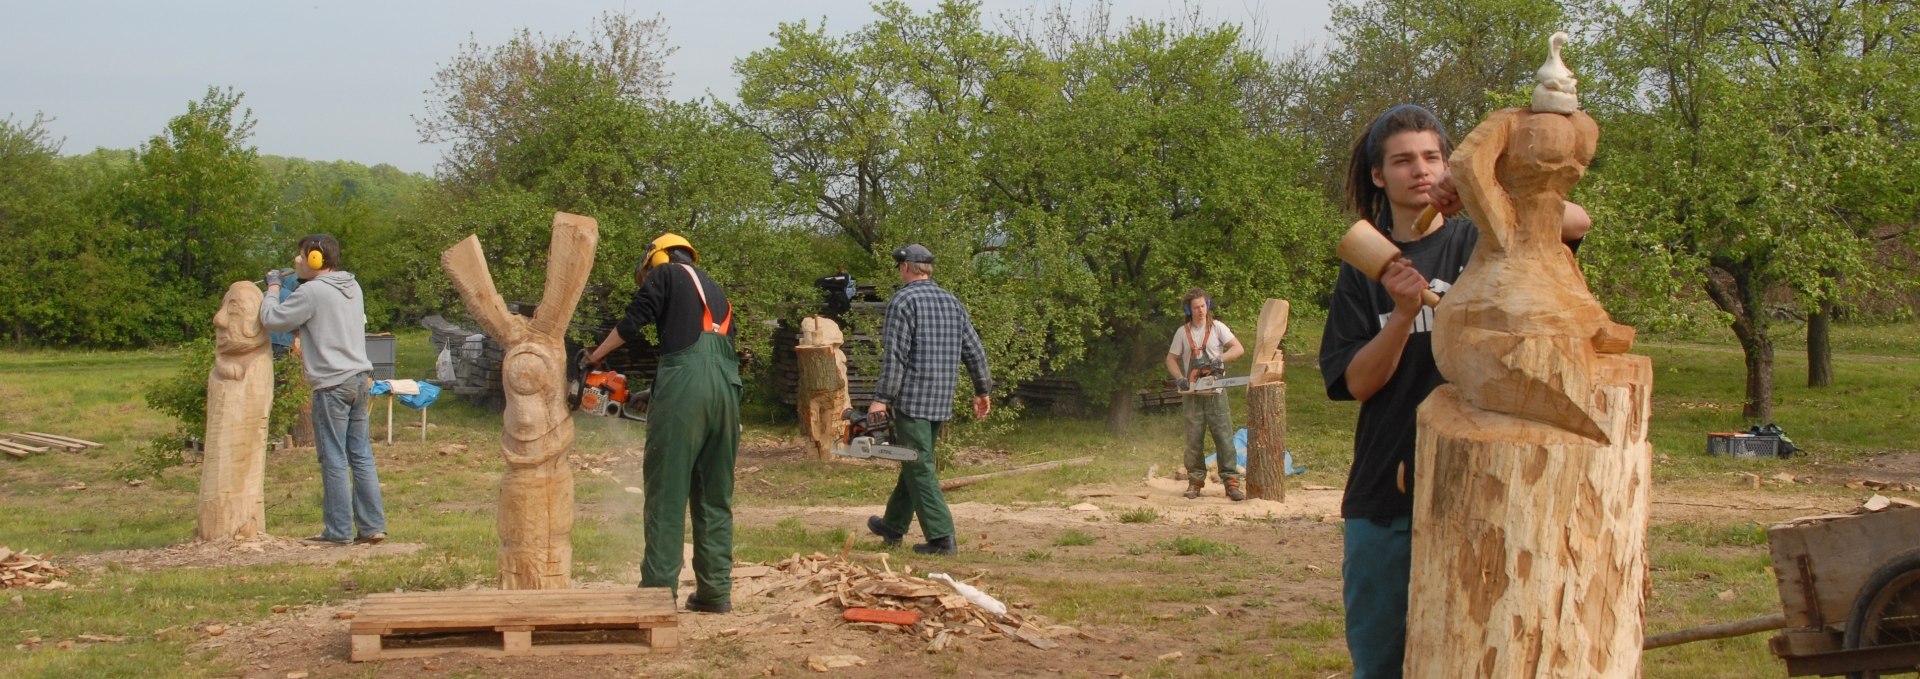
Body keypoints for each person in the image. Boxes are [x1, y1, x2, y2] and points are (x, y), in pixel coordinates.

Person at [1317, 104, 1590, 678]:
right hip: (1387, 494)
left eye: (1432, 158)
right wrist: (1401, 314)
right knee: (1382, 664)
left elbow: (1576, 221)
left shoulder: (1486, 237)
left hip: (1484, 487)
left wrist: (1479, 187)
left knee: (1480, 656)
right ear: (1378, 175)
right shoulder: (1365, 272)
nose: (1420, 170)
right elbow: (1358, 383)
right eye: (1402, 161)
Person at [585, 233, 741, 614]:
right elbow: (706, 355)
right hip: (727, 393)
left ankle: (656, 593)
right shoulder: (716, 290)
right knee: (713, 498)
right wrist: (655, 394)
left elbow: (633, 321)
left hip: (686, 391)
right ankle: (714, 592)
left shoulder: (666, 274)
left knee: (667, 495)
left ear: (656, 258)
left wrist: (594, 358)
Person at [862, 244, 992, 556]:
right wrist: (982, 389)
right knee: (915, 459)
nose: (899, 269)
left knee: (918, 465)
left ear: (907, 267)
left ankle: (942, 538)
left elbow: (895, 357)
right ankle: (893, 525)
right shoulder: (951, 301)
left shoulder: (903, 300)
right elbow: (974, 349)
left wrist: (881, 399)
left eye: (899, 265)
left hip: (912, 401)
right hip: (940, 401)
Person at [259, 234, 387, 547]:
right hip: (359, 378)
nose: (296, 261)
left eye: (301, 256)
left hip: (332, 384)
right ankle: (372, 527)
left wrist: (273, 288)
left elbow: (271, 319)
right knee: (361, 455)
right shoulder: (352, 285)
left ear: (316, 259)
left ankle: (338, 531)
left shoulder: (313, 292)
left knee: (333, 457)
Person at [1165, 287, 1246, 501]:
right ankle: (1195, 482)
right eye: (1196, 307)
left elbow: (1238, 349)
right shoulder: (1183, 333)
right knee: (1193, 442)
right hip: (1192, 398)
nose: (1201, 310)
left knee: (1225, 440)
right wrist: (1180, 378)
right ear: (1188, 309)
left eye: (1203, 306)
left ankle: (1231, 483)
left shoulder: (1217, 327)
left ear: (1207, 306)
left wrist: (1219, 360)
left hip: (1216, 395)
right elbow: (1171, 359)